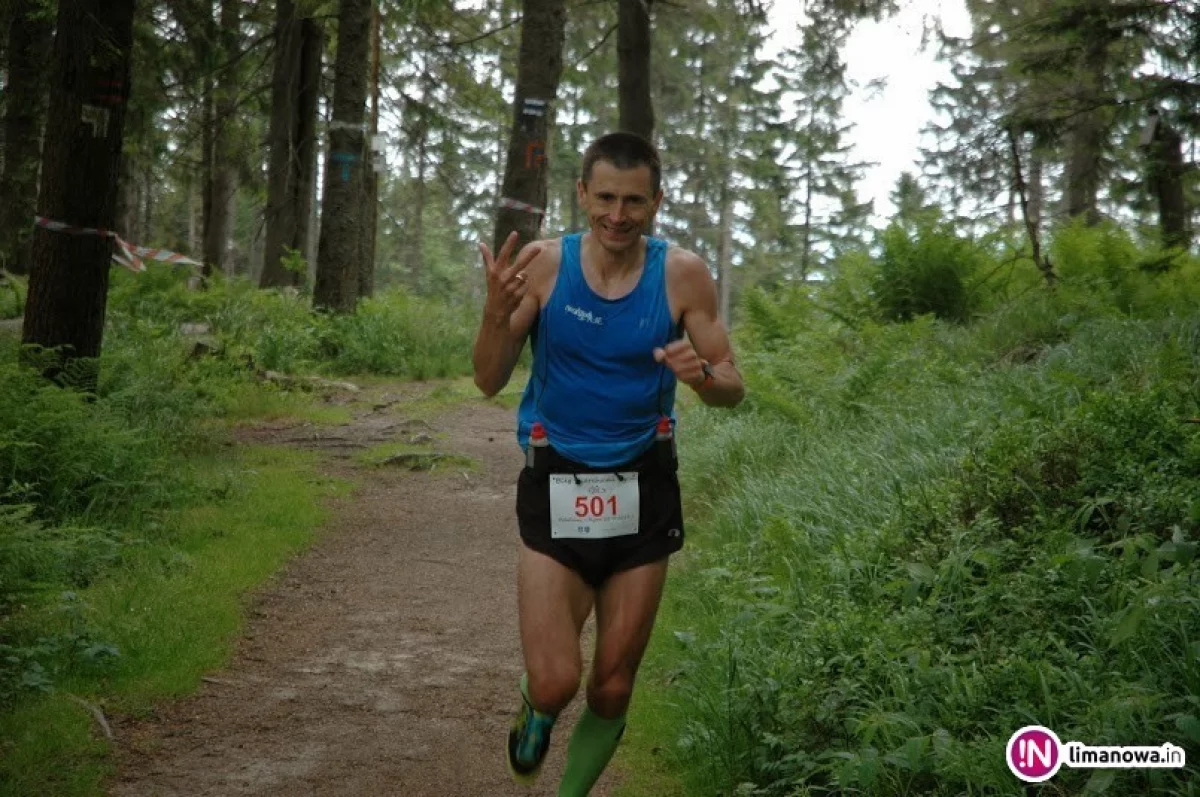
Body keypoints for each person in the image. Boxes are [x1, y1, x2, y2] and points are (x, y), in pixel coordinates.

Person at [472, 132, 745, 795]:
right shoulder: (542, 265)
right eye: (605, 199)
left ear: (656, 201)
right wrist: (493, 314)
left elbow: (731, 385)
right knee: (559, 678)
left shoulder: (682, 274)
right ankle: (537, 704)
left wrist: (701, 375)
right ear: (581, 194)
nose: (617, 216)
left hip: (642, 486)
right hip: (556, 477)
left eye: (633, 201)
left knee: (614, 681)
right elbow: (487, 379)